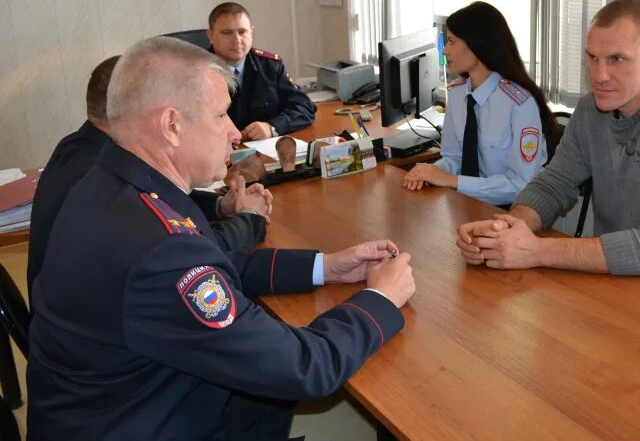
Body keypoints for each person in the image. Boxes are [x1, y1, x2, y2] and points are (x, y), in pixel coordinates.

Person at [27, 37, 415, 440]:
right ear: (171, 126)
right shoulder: (157, 247)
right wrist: (380, 300)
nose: (234, 133)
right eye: (220, 115)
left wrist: (327, 266)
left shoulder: (114, 184)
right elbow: (304, 368)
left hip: (123, 400)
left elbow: (212, 261)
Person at [456, 0, 640, 292]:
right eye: (592, 58)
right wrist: (507, 229)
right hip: (618, 274)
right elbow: (553, 184)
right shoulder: (592, 110)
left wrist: (536, 251)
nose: (599, 76)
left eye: (616, 59)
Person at [27, 56, 270, 301]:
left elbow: (161, 194)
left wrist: (218, 205)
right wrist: (251, 218)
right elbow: (199, 252)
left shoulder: (80, 145)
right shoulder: (104, 178)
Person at [403, 1, 556, 206]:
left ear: (477, 45)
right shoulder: (458, 95)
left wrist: (453, 181)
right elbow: (454, 158)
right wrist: (431, 172)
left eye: (452, 42)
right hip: (466, 206)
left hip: (509, 213)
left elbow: (521, 186)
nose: (445, 51)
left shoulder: (519, 104)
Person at [207, 1, 315, 140]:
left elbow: (304, 108)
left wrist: (273, 127)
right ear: (210, 35)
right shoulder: (197, 70)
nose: (237, 40)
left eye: (242, 32)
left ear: (251, 32)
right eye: (227, 33)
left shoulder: (270, 66)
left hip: (265, 152)